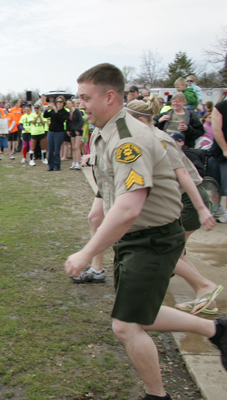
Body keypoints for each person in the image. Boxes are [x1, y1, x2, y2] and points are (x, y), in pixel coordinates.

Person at [65, 63, 227, 400]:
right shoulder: (104, 131)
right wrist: (99, 209)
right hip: (133, 239)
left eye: (85, 97)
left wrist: (85, 252)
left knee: (126, 325)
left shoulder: (129, 139)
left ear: (110, 96)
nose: (80, 104)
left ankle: (157, 395)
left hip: (152, 239)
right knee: (142, 315)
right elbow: (111, 190)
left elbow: (129, 207)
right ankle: (218, 330)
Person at [124, 98, 220, 315]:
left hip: (188, 200)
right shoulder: (144, 136)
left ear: (140, 120)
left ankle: (205, 287)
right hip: (179, 200)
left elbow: (184, 174)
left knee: (164, 250)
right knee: (175, 252)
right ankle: (206, 296)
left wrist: (201, 208)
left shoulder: (159, 139)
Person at [208, 99, 227, 218]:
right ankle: (216, 210)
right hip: (219, 153)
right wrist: (225, 149)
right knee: (215, 186)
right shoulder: (220, 107)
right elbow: (217, 130)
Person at [44, 96, 70, 171]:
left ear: (63, 103)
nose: (59, 103)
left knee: (57, 149)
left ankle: (57, 165)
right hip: (51, 131)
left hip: (59, 132)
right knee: (50, 149)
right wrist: (46, 110)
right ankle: (50, 165)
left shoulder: (65, 112)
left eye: (60, 102)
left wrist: (56, 112)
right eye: (57, 101)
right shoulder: (53, 110)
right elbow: (45, 115)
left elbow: (62, 120)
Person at [66, 99, 84, 170]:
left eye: (69, 103)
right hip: (72, 131)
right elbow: (68, 122)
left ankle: (78, 162)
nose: (68, 105)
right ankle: (74, 161)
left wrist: (77, 129)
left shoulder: (77, 112)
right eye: (67, 104)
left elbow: (81, 121)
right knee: (73, 147)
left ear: (72, 104)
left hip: (78, 131)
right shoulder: (68, 113)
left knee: (77, 146)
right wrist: (67, 130)